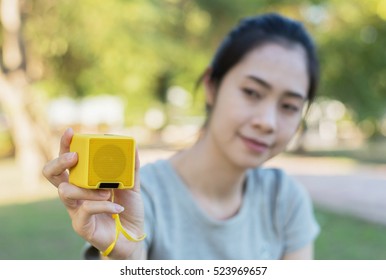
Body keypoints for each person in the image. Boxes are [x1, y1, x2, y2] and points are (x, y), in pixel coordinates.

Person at [43, 12, 320, 260]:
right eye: (251, 92)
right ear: (212, 86)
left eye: (289, 107)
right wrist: (124, 259)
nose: (267, 122)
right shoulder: (132, 195)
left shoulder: (284, 199)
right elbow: (128, 248)